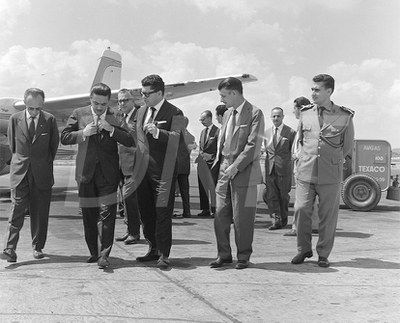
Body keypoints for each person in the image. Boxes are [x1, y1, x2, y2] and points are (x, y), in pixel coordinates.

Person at [61, 83, 134, 269]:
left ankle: (104, 255)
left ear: (109, 101)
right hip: (85, 175)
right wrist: (82, 133)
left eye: (103, 104)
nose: (100, 107)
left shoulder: (116, 116)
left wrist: (112, 130)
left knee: (107, 215)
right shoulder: (79, 113)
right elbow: (65, 137)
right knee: (89, 216)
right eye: (96, 103)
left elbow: (129, 139)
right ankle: (93, 252)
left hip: (108, 176)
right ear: (90, 99)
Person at [291, 74, 354, 268]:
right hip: (305, 171)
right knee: (301, 210)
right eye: (312, 89)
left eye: (317, 89)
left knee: (328, 215)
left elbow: (347, 146)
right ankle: (303, 249)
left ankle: (323, 254)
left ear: (329, 91)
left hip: (329, 174)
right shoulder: (305, 113)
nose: (313, 93)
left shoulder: (344, 116)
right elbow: (300, 140)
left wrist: (331, 160)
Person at [209, 77, 265, 270]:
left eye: (224, 96)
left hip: (246, 173)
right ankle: (223, 255)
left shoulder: (255, 113)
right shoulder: (226, 115)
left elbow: (253, 145)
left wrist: (237, 166)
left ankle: (243, 256)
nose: (221, 100)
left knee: (244, 218)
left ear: (234, 93)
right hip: (225, 170)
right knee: (220, 214)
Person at [2, 88, 59, 262]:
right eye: (31, 108)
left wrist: (40, 163)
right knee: (16, 210)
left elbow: (53, 147)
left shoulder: (50, 120)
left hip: (41, 173)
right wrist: (22, 162)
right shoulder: (14, 119)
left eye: (38, 108)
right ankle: (10, 248)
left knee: (40, 212)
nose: (34, 112)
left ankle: (38, 247)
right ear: (25, 104)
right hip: (20, 172)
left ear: (42, 105)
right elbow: (13, 146)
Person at [134, 74, 184, 269]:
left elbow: (178, 138)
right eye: (142, 92)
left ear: (160, 93)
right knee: (146, 213)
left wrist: (158, 132)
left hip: (164, 172)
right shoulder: (141, 112)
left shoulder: (175, 112)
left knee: (162, 213)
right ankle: (152, 248)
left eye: (147, 93)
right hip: (143, 172)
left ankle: (164, 253)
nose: (143, 96)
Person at [284, 96, 319, 237]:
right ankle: (314, 225)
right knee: (310, 199)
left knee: (301, 200)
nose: (293, 112)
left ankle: (297, 227)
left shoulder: (307, 123)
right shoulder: (306, 123)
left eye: (294, 109)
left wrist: (298, 157)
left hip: (303, 165)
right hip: (304, 164)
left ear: (300, 108)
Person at [114, 89, 141, 244]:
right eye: (120, 101)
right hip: (121, 164)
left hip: (134, 165)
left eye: (125, 100)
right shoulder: (120, 117)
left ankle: (135, 232)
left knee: (130, 199)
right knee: (125, 200)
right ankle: (130, 229)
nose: (122, 103)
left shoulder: (139, 117)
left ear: (133, 101)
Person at [264, 107, 296, 230]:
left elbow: (293, 151)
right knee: (271, 196)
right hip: (270, 169)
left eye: (278, 116)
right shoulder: (266, 133)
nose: (276, 118)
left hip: (283, 170)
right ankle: (275, 220)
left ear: (283, 117)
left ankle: (283, 219)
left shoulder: (291, 132)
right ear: (271, 117)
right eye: (274, 116)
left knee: (283, 196)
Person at [195, 110, 219, 218]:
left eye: (203, 119)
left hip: (212, 165)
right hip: (202, 164)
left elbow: (220, 149)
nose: (201, 122)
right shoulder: (202, 132)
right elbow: (201, 147)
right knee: (202, 187)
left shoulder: (217, 131)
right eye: (200, 120)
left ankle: (214, 209)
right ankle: (205, 209)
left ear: (209, 118)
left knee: (213, 187)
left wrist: (212, 157)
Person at [174, 116, 196, 218]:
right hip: (185, 166)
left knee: (171, 191)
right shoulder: (190, 137)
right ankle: (187, 211)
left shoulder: (176, 134)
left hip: (174, 165)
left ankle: (170, 212)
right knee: (185, 190)